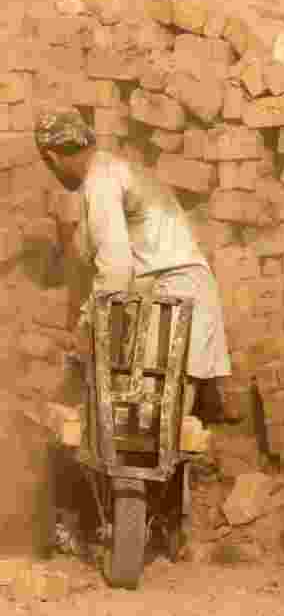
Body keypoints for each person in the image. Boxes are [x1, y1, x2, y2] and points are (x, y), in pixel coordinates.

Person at [34, 107, 232, 424]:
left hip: (175, 295)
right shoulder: (114, 169)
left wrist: (86, 329)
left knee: (148, 429)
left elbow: (115, 271)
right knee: (155, 434)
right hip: (181, 293)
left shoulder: (100, 182)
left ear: (52, 158)